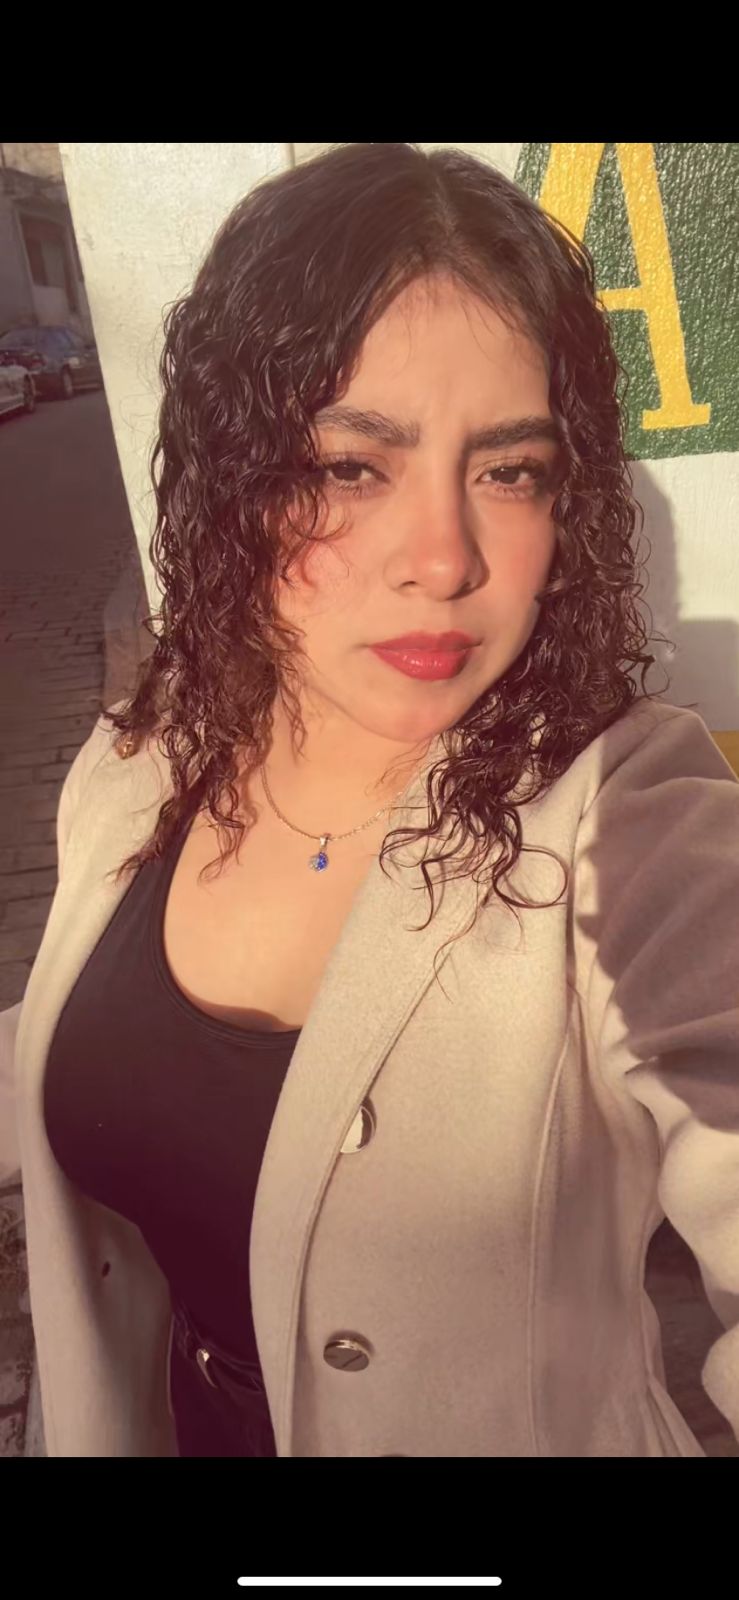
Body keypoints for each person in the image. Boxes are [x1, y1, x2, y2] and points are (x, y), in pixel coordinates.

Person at [7, 142, 739, 1458]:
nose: (445, 559)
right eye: (352, 466)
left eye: (510, 470)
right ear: (236, 479)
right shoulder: (142, 768)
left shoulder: (629, 820)